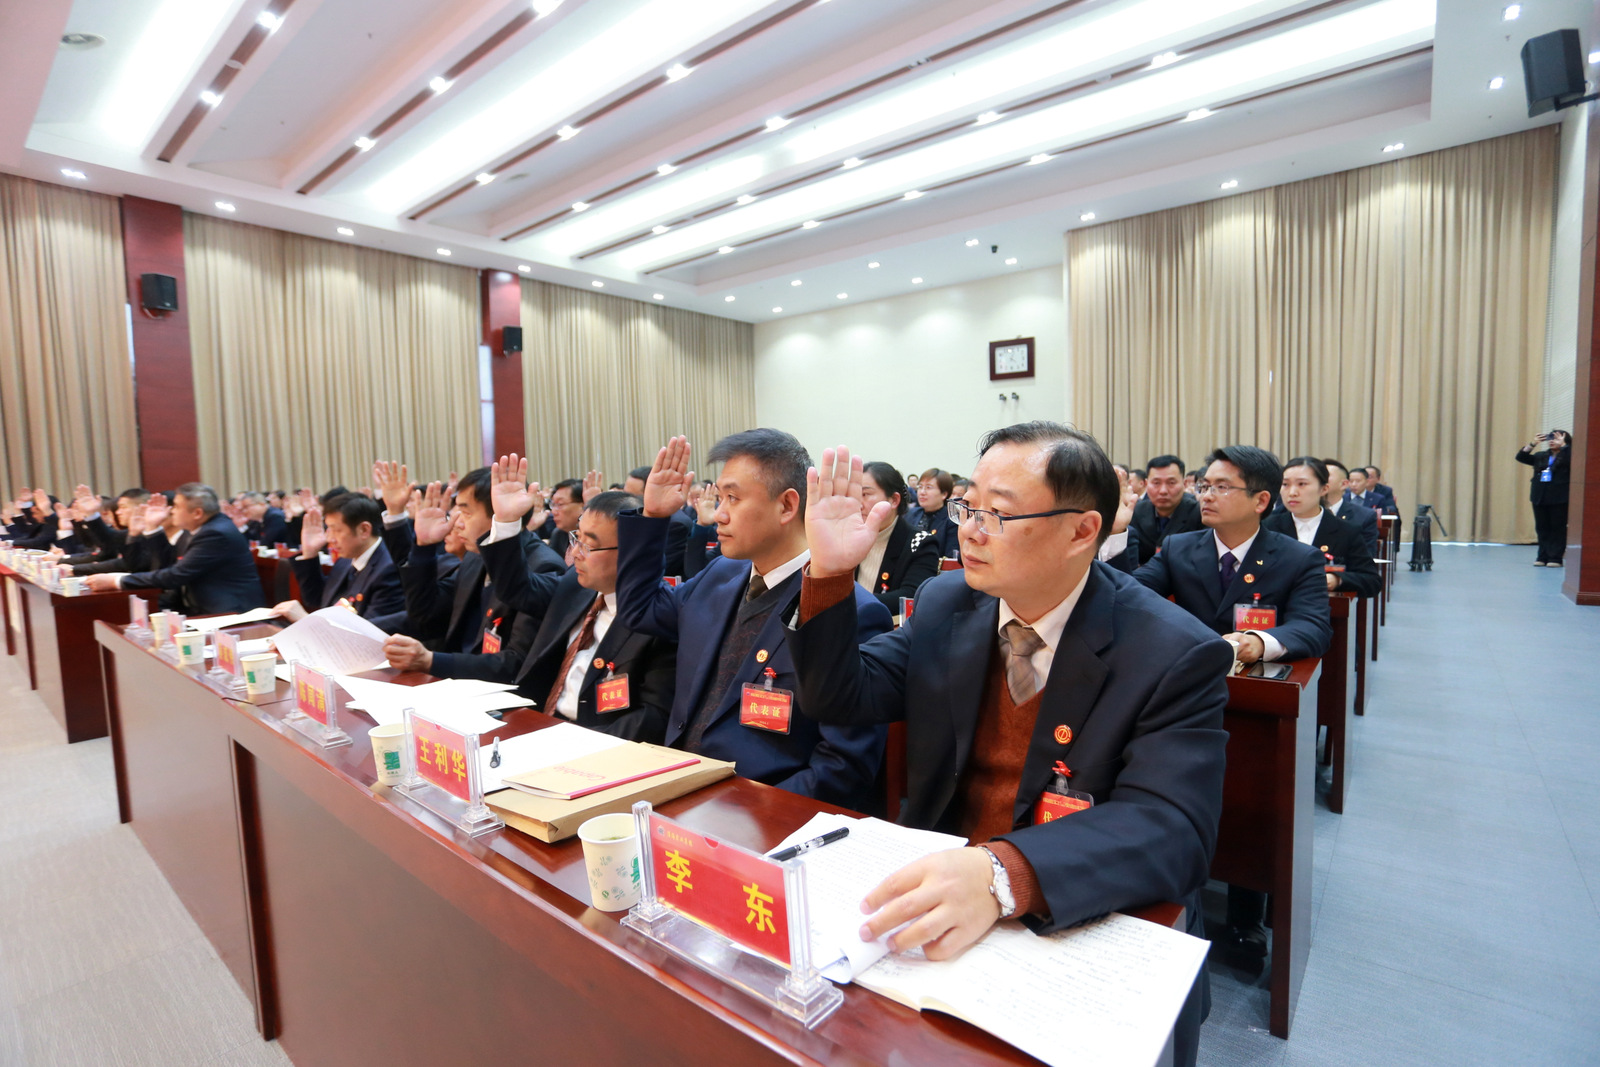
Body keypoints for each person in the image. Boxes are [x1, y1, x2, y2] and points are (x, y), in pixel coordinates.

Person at [786, 424, 1229, 1067]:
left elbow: (1173, 828)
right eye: (967, 507)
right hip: (943, 900)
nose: (969, 531)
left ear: (1081, 531)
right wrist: (828, 575)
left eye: (997, 514)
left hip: (1078, 915)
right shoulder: (949, 603)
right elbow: (841, 698)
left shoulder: (1173, 651)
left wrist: (1000, 874)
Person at [1124, 446, 1330, 968]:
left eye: (1220, 487)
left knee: (1252, 798)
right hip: (1182, 695)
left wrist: (1257, 643)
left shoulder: (1296, 558)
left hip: (1248, 701)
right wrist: (1117, 540)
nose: (1206, 495)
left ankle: (1245, 915)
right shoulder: (1180, 547)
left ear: (1260, 500)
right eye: (1205, 486)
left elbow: (1313, 626)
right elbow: (1131, 595)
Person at [615, 430, 891, 809]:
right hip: (678, 791)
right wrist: (653, 517)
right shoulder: (722, 574)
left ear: (787, 506)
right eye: (719, 497)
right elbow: (640, 608)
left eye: (733, 498)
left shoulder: (850, 610)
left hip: (760, 814)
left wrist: (751, 815)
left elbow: (843, 768)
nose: (719, 513)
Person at [391, 461, 676, 742]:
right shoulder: (576, 587)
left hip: (591, 742)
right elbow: (517, 589)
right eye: (576, 538)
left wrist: (577, 744)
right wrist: (505, 523)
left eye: (589, 544)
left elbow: (652, 718)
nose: (576, 553)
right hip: (533, 722)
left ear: (631, 552)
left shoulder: (659, 614)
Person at [390, 469, 563, 652]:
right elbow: (425, 616)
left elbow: (515, 661)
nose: (457, 524)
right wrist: (424, 547)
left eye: (466, 513)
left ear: (499, 513)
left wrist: (430, 662)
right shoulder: (475, 557)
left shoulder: (543, 566)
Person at [84, 483, 264, 614]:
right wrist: (153, 528)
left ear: (197, 513)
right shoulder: (199, 529)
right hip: (198, 607)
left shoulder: (215, 533)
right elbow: (169, 563)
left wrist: (117, 581)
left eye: (177, 507)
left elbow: (176, 575)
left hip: (228, 612)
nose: (171, 511)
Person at [276, 493, 404, 623]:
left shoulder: (389, 569)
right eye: (328, 529)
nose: (330, 539)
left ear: (364, 530)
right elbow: (317, 598)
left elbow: (368, 630)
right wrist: (310, 554)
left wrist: (305, 619)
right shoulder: (345, 560)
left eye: (336, 530)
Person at [1263, 458, 1380, 598]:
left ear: (1324, 489)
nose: (1292, 492)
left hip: (1323, 607)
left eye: (1302, 484)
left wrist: (1336, 579)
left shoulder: (1346, 531)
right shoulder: (1267, 526)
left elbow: (1371, 581)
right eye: (1285, 484)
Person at [856, 462, 939, 613]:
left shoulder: (919, 543)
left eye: (865, 494)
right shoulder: (849, 537)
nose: (858, 504)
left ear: (894, 500)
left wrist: (850, 603)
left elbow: (911, 596)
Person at [1128, 455, 1202, 564]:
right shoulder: (1136, 512)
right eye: (1156, 483)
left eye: (1171, 483)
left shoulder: (1198, 513)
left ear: (1184, 483)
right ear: (1146, 484)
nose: (1163, 491)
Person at [1517, 431, 1572, 566]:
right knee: (1542, 528)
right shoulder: (1541, 456)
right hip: (1539, 496)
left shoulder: (1569, 455)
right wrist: (1533, 443)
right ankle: (1542, 556)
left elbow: (1572, 459)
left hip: (1559, 497)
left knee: (1558, 528)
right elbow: (1521, 457)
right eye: (1550, 438)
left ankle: (1555, 558)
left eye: (1556, 439)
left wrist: (1564, 446)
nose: (1552, 441)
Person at [1321, 459, 1380, 556]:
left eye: (1326, 475)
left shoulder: (1364, 516)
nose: (1319, 479)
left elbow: (1366, 558)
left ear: (1344, 484)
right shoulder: (1300, 513)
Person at [912, 469, 960, 558]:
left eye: (928, 487)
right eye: (920, 487)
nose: (922, 492)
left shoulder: (952, 520)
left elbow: (951, 557)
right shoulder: (911, 514)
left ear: (944, 494)